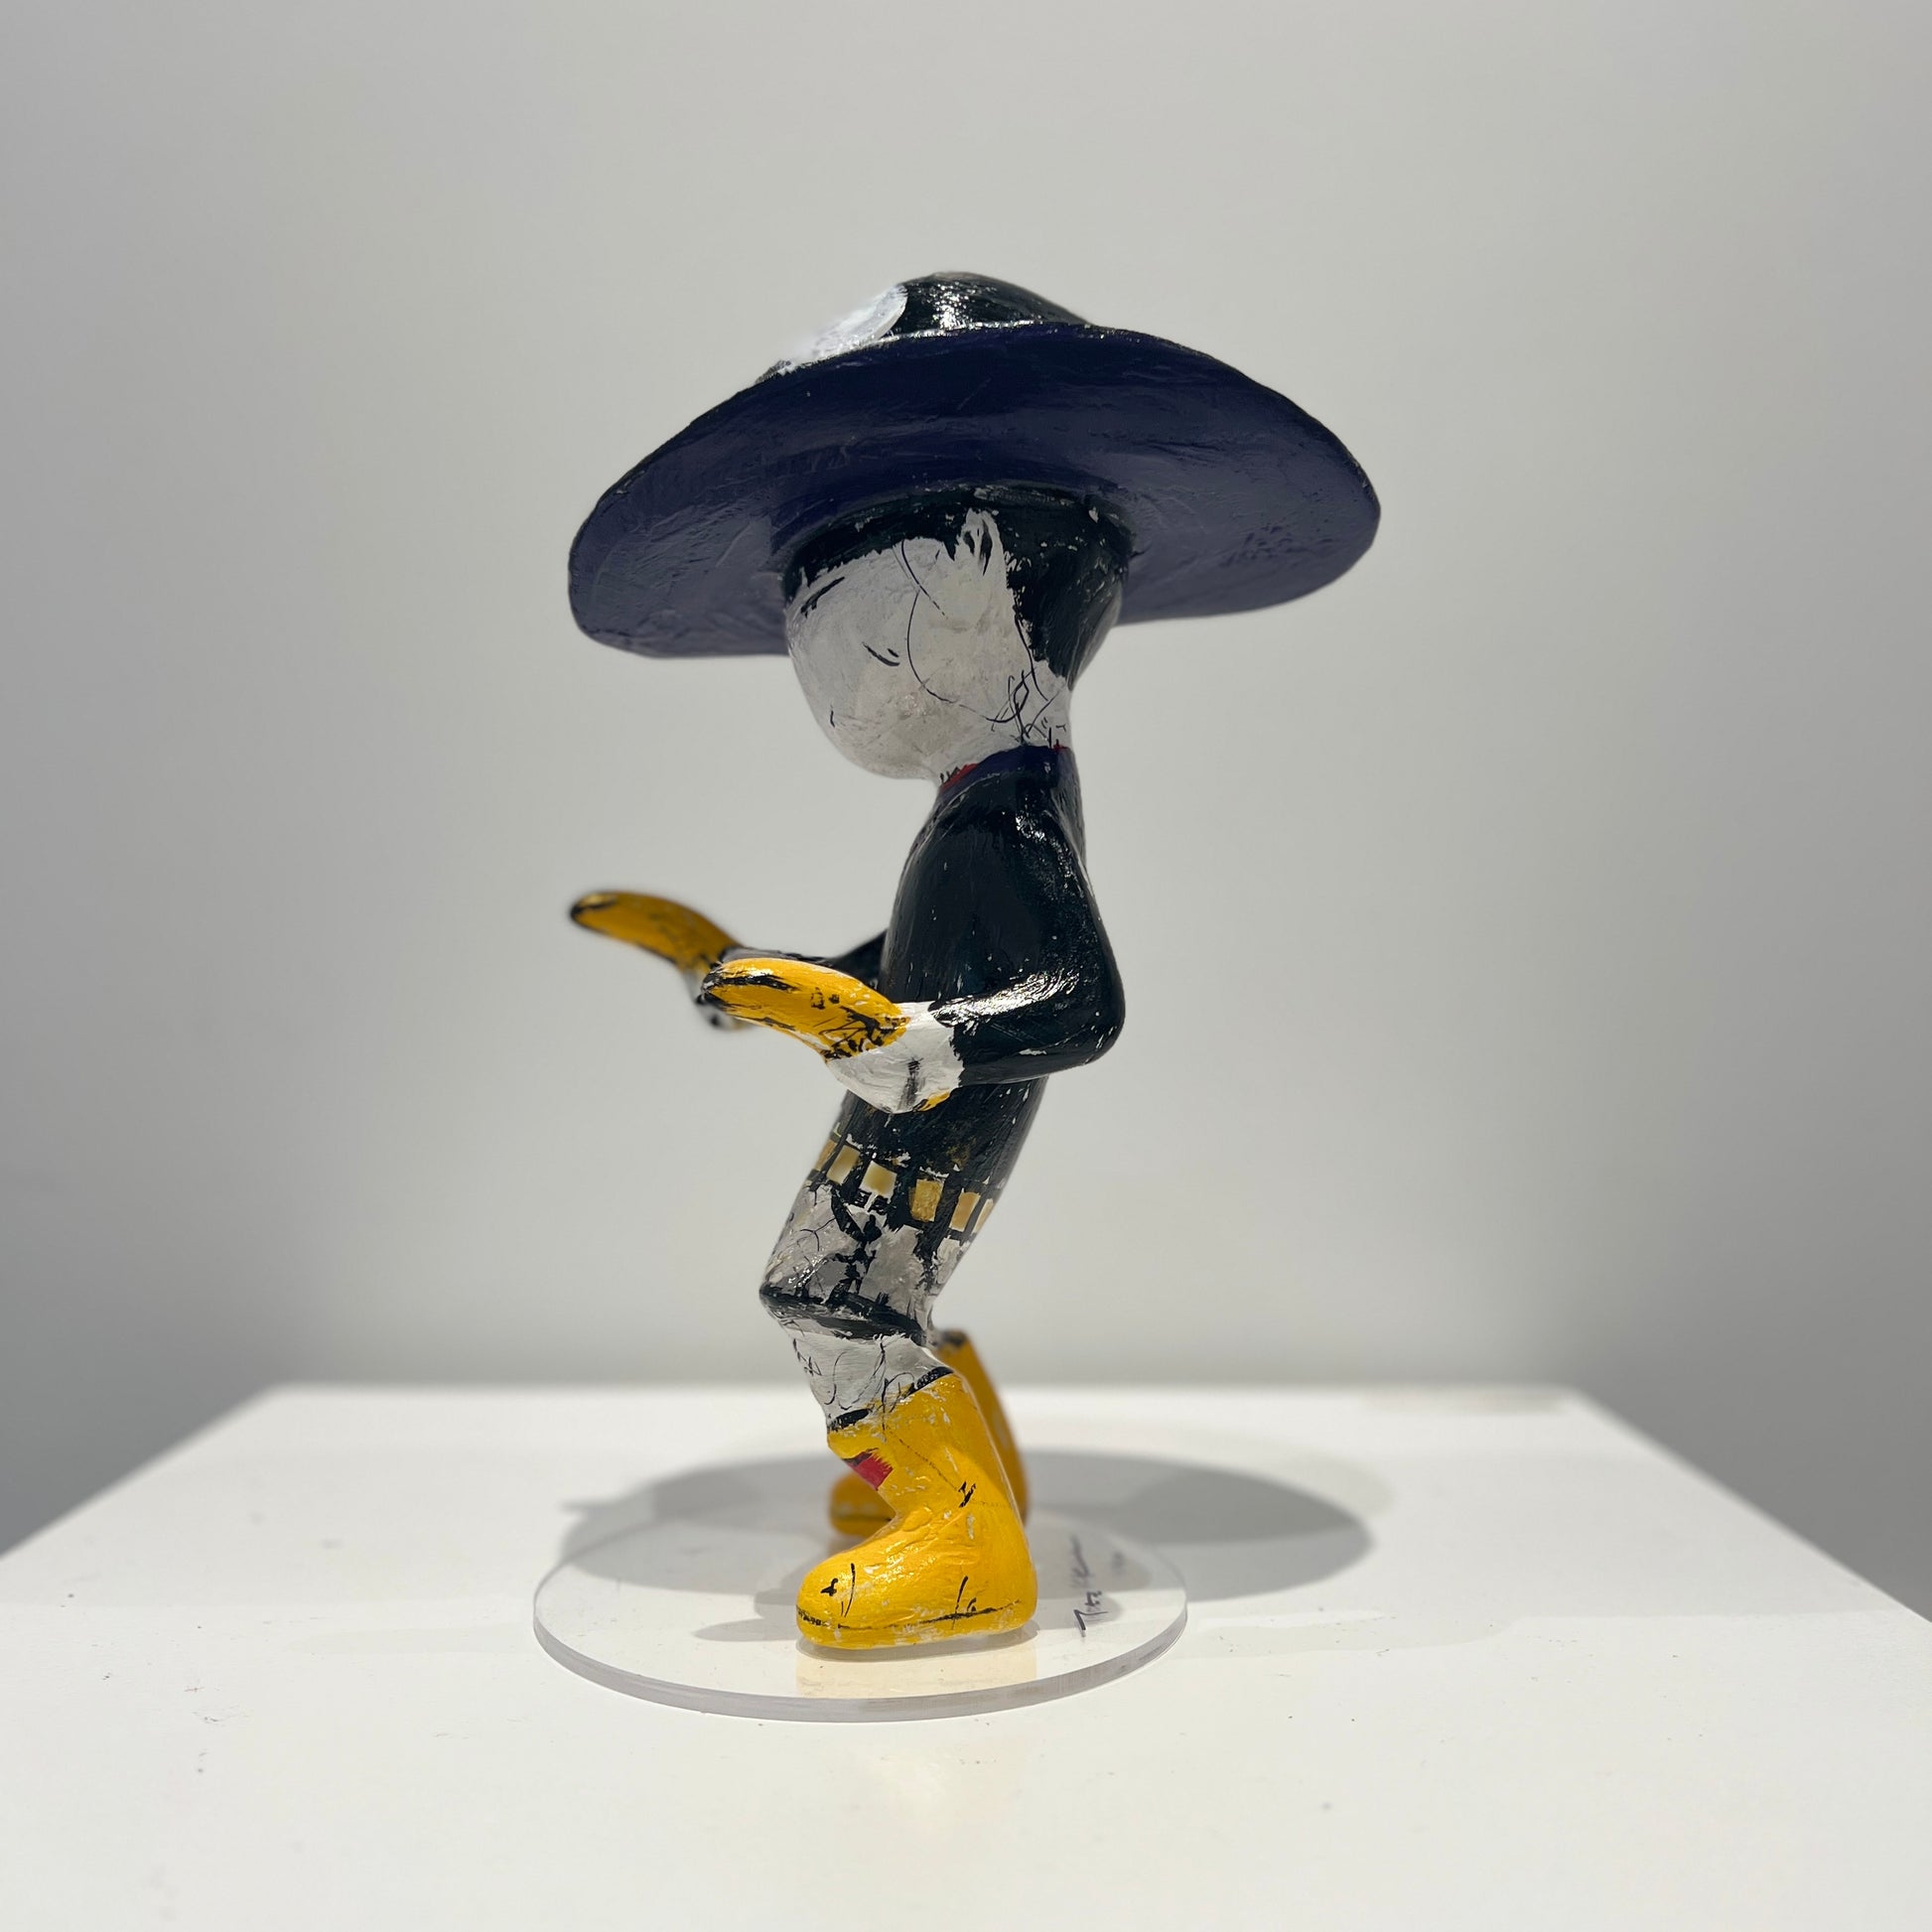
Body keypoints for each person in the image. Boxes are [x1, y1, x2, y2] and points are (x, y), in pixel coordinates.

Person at [566, 274, 1378, 1647]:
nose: (823, 669)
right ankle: (963, 1468)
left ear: (998, 588)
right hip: (925, 1092)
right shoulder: (988, 801)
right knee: (871, 1291)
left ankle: (961, 1535)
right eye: (806, 622)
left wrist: (922, 1040)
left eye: (846, 612)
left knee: (828, 1292)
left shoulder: (1004, 816)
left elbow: (1081, 999)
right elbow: (923, 952)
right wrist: (771, 980)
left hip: (942, 1111)